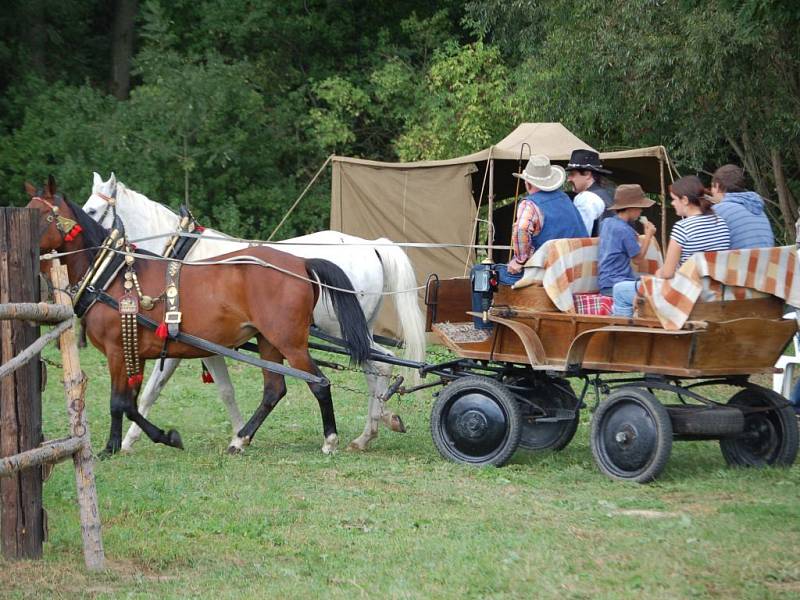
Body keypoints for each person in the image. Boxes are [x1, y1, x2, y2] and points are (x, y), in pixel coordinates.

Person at [497, 154, 588, 285]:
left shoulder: (529, 204)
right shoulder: (565, 199)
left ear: (527, 184)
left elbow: (521, 229)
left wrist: (519, 260)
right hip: (574, 270)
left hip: (546, 274)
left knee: (482, 272)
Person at [595, 184, 658, 316]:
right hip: (615, 284)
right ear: (631, 208)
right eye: (640, 208)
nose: (641, 211)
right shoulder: (624, 230)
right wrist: (648, 236)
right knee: (657, 290)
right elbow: (638, 260)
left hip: (605, 281)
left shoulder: (607, 223)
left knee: (653, 280)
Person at [655, 175, 731, 279]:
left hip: (691, 291)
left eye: (674, 199)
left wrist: (658, 273)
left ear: (685, 200)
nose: (672, 203)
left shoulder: (682, 228)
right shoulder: (721, 222)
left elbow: (668, 273)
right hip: (718, 289)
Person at [710, 164, 774, 249]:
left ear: (717, 186)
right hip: (766, 261)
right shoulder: (758, 209)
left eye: (712, 186)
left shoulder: (718, 211)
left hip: (741, 261)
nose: (711, 192)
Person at [565, 149, 614, 236]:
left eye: (572, 174)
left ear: (587, 174)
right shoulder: (607, 193)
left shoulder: (586, 198)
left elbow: (580, 235)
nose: (569, 179)